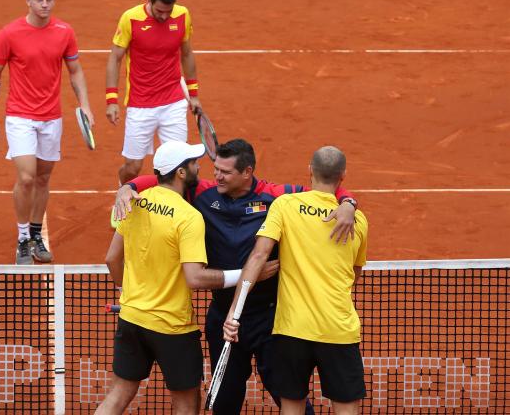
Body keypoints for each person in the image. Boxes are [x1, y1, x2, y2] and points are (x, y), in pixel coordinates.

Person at [114, 139, 358, 413]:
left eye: (225, 172)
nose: (217, 175)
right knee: (224, 401)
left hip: (269, 317)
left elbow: (324, 184)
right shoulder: (203, 191)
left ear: (247, 172)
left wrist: (348, 201)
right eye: (216, 169)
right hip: (223, 317)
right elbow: (163, 177)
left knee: (287, 395)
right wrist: (130, 186)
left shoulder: (277, 196)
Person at [97, 141, 276, 414]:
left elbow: (112, 258)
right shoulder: (189, 217)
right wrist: (248, 274)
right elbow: (194, 278)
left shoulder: (134, 202)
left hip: (131, 316)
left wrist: (127, 292)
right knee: (186, 404)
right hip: (173, 326)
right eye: (193, 163)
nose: (200, 167)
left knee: (118, 394)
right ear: (181, 173)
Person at [223, 146, 368, 415]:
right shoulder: (357, 220)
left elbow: (258, 256)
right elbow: (354, 273)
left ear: (310, 170)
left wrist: (235, 311)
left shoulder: (285, 206)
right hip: (338, 330)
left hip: (292, 331)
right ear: (343, 176)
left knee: (291, 409)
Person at [0, 0, 94, 265]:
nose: (45, 4)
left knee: (43, 178)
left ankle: (35, 233)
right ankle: (22, 238)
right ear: (28, 1)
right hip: (20, 116)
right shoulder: (10, 33)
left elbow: (76, 71)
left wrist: (85, 105)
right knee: (27, 176)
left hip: (51, 118)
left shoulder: (64, 32)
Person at [105, 0, 201, 184]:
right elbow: (115, 57)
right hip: (140, 104)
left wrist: (193, 95)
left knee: (178, 165)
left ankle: (172, 210)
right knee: (133, 168)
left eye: (169, 11)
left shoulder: (183, 15)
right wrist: (111, 99)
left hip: (173, 102)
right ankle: (122, 189)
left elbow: (186, 54)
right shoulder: (130, 18)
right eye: (159, 11)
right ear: (149, 0)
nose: (165, 16)